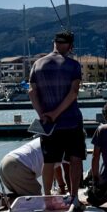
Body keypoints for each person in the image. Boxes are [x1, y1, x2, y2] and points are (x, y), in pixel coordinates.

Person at [28, 30, 85, 199]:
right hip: (71, 122)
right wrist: (55, 113)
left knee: (49, 161)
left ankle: (47, 198)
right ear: (70, 46)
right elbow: (73, 92)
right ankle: (74, 197)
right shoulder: (73, 65)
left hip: (49, 125)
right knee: (75, 159)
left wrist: (44, 115)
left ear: (54, 43)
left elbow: (32, 92)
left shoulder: (37, 64)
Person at [0, 137, 67, 212]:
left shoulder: (47, 139)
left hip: (6, 162)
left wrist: (62, 187)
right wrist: (69, 194)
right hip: (17, 167)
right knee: (37, 203)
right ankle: (1, 200)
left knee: (24, 197)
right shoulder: (62, 146)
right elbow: (66, 171)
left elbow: (56, 167)